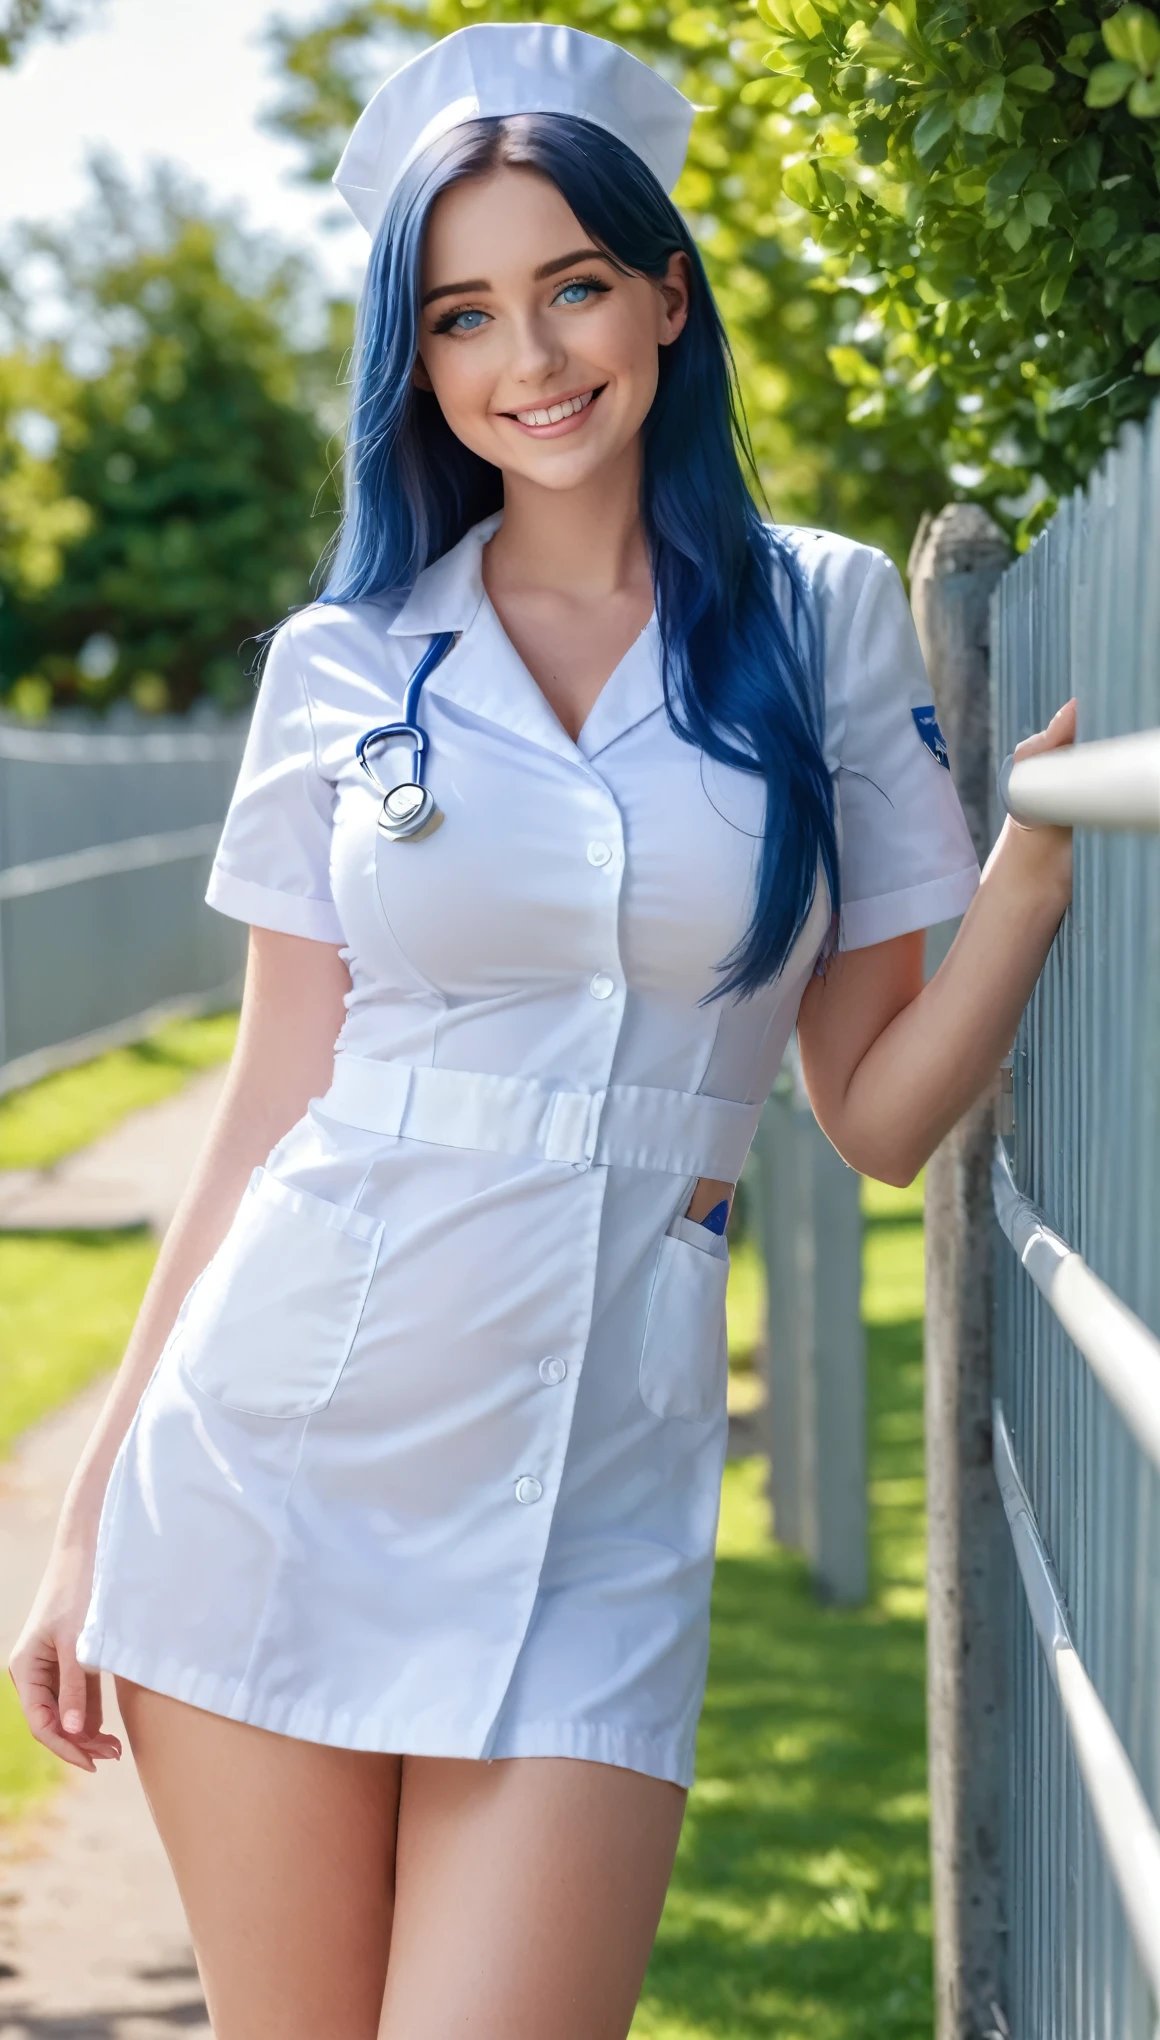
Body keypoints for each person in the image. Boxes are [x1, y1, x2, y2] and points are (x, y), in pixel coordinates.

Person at [8, 24, 1075, 2039]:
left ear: (666, 292)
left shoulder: (817, 615)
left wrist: (1023, 877)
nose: (531, 356)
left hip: (593, 1498)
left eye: (572, 282)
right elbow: (266, 1102)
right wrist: (84, 1524)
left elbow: (870, 1116)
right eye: (461, 315)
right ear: (413, 368)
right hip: (269, 1468)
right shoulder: (346, 661)